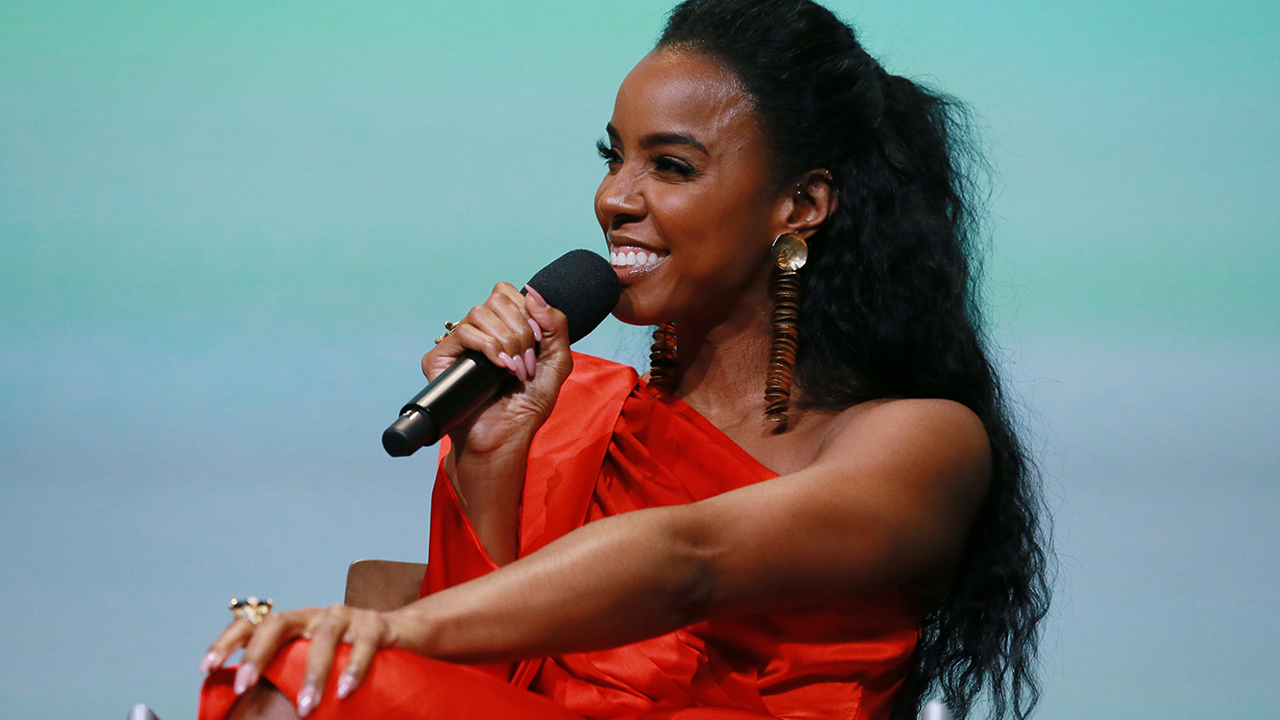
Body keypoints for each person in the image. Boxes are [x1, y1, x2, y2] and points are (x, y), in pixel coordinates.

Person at [198, 1, 1050, 719]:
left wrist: (396, 630)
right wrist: (489, 459)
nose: (614, 197)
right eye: (614, 157)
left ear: (800, 204)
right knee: (302, 677)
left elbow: (689, 561)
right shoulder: (575, 410)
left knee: (321, 673)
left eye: (670, 166)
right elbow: (481, 681)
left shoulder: (923, 442)